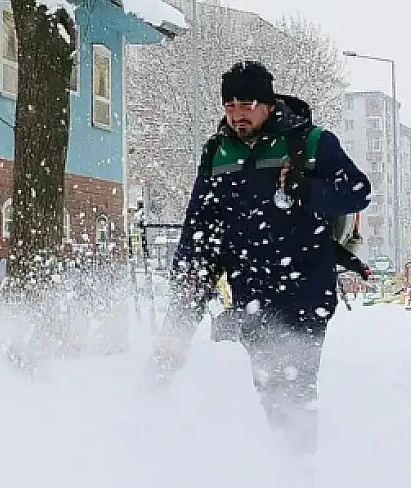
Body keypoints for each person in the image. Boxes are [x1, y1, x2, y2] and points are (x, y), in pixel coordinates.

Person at [152, 60, 373, 454]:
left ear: (269, 104)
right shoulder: (217, 152)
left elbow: (357, 190)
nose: (238, 115)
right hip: (251, 291)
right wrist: (189, 273)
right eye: (230, 106)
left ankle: (300, 472)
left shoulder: (311, 142)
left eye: (247, 105)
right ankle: (284, 470)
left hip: (306, 287)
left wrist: (310, 188)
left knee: (297, 382)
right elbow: (201, 223)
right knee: (268, 385)